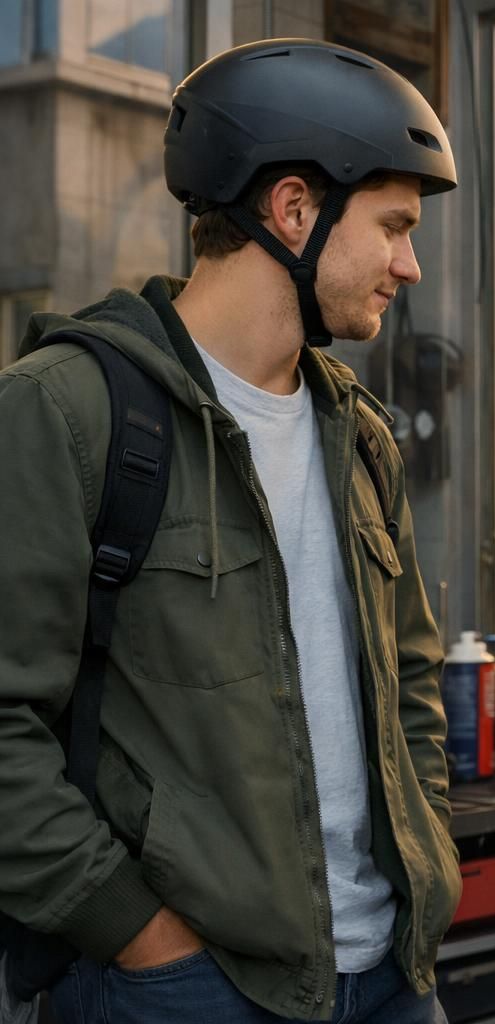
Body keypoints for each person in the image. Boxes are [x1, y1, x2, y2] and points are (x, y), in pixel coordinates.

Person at [0, 39, 460, 1023]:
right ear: (294, 209)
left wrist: (430, 861)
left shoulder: (361, 439)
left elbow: (411, 680)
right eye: (391, 227)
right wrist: (135, 931)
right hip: (184, 986)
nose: (408, 265)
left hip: (392, 974)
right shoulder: (66, 410)